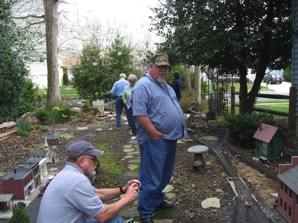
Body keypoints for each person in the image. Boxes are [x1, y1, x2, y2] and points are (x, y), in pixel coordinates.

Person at [131, 53, 188, 223]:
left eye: (166, 67)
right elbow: (140, 114)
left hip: (169, 138)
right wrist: (153, 132)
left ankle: (156, 200)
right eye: (160, 66)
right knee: (151, 176)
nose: (163, 70)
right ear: (151, 66)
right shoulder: (143, 86)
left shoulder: (164, 85)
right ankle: (145, 213)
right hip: (154, 140)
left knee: (164, 174)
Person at [37, 140, 140, 223]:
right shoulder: (76, 180)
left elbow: (96, 193)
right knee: (113, 220)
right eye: (93, 159)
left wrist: (123, 190)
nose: (96, 163)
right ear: (81, 161)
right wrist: (127, 199)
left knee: (113, 218)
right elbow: (102, 216)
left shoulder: (67, 173)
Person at [122, 74, 138, 140]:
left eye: (134, 81)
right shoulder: (126, 88)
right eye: (131, 81)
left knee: (138, 121)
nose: (132, 82)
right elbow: (123, 96)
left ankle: (140, 133)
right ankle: (135, 133)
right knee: (132, 121)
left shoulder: (138, 86)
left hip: (137, 106)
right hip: (129, 107)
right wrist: (125, 102)